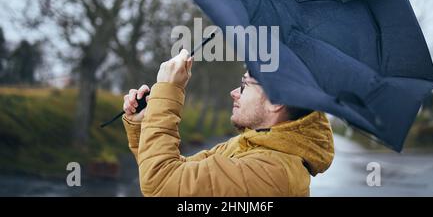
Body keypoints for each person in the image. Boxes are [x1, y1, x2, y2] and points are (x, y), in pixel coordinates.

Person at [122, 49, 334, 196]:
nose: (234, 93)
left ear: (276, 101)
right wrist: (142, 125)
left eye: (244, 85)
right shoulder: (249, 146)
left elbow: (161, 184)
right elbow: (174, 174)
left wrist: (168, 89)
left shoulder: (273, 173)